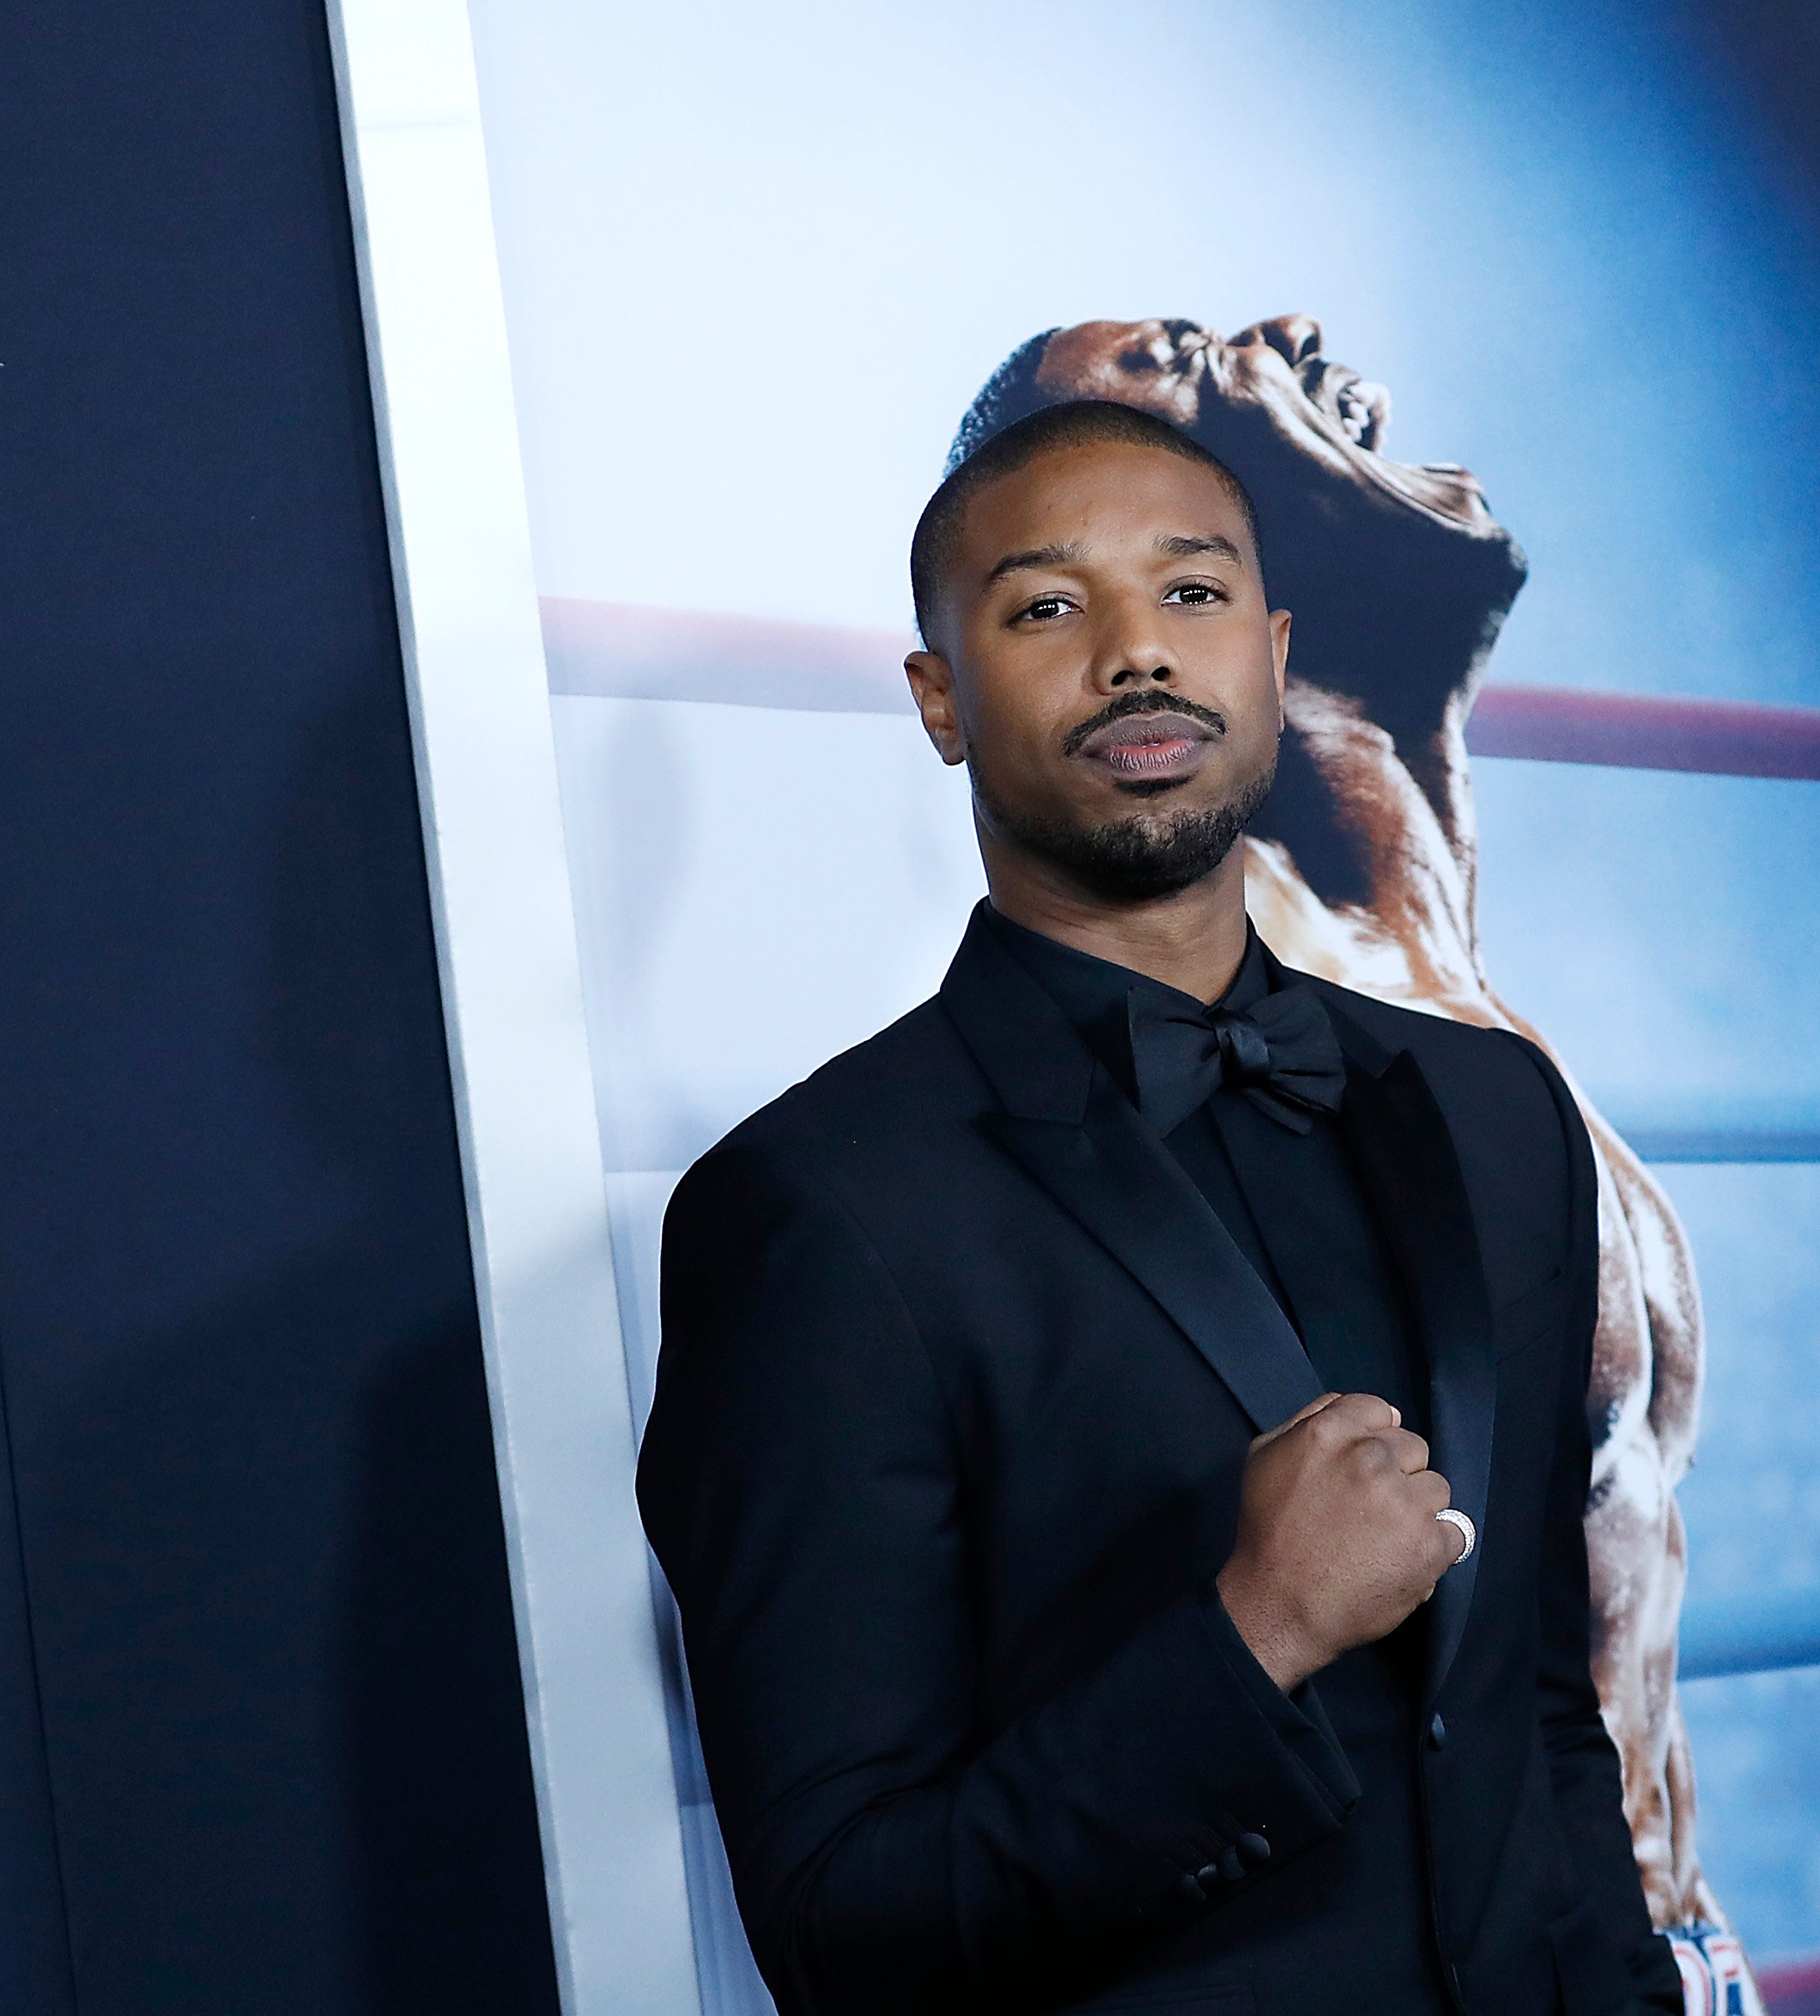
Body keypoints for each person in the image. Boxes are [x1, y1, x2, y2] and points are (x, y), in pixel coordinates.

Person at [640, 397, 1687, 2015]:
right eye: (1047, 605)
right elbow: (846, 1928)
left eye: (1190, 593)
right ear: (939, 696)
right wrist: (1253, 1631)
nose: (1137, 652)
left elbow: (1543, 1712)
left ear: (1273, 656)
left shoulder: (1494, 1108)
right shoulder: (815, 1209)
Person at [947, 319, 1749, 2009]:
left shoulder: (1416, 905)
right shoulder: (1222, 1016)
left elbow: (1455, 562)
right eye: (1178, 369)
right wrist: (1258, 413)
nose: (1257, 348)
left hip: (1666, 1942)